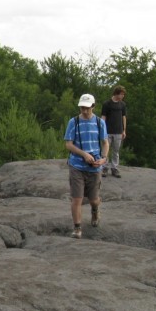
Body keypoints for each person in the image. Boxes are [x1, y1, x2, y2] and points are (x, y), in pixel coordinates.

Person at [64, 94, 109, 239]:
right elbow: (68, 144)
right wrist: (83, 154)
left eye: (87, 108)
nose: (84, 111)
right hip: (77, 165)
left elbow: (105, 142)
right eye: (82, 108)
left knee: (93, 199)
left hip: (94, 167)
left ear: (93, 107)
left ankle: (95, 210)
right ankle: (77, 228)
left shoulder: (99, 123)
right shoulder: (74, 122)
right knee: (76, 199)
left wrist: (103, 158)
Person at [100, 85, 127, 178]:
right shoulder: (107, 104)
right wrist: (101, 129)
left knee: (116, 151)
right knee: (105, 150)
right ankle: (104, 167)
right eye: (121, 94)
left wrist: (124, 130)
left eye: (123, 94)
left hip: (118, 131)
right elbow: (103, 117)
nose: (122, 96)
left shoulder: (122, 104)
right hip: (107, 131)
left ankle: (114, 168)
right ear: (116, 93)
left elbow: (124, 117)